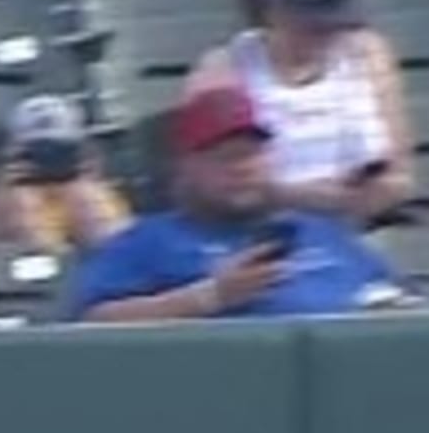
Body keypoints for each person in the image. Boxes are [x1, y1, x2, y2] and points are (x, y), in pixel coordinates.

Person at [64, 83, 407, 324]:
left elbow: (392, 297)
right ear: (186, 166)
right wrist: (209, 297)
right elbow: (94, 323)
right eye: (226, 157)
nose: (243, 168)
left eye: (253, 155)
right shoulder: (148, 241)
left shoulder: (320, 231)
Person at [182, 0, 417, 227]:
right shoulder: (225, 70)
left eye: (338, 23)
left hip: (369, 231)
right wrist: (296, 196)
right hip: (269, 233)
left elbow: (402, 171)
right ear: (270, 9)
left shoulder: (369, 53)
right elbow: (204, 189)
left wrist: (380, 190)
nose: (327, 36)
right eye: (312, 24)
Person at [0, 93, 133, 255]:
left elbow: (120, 242)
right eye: (39, 147)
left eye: (61, 148)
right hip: (38, 256)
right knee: (24, 203)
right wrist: (4, 183)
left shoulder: (89, 191)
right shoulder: (13, 195)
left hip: (99, 264)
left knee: (86, 198)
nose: (49, 154)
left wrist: (87, 175)